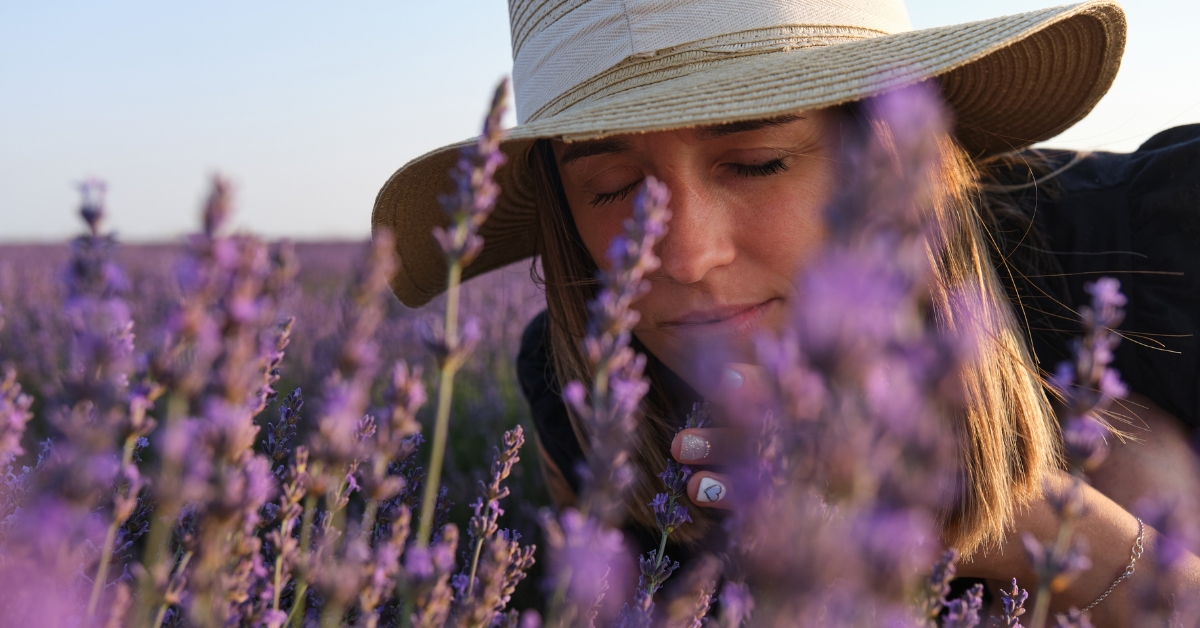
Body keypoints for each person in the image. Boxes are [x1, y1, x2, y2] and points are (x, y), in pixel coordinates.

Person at [372, 0, 1200, 622]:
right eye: (612, 188)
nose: (686, 256)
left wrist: (1053, 530)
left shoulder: (1162, 241)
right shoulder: (587, 387)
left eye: (757, 161)